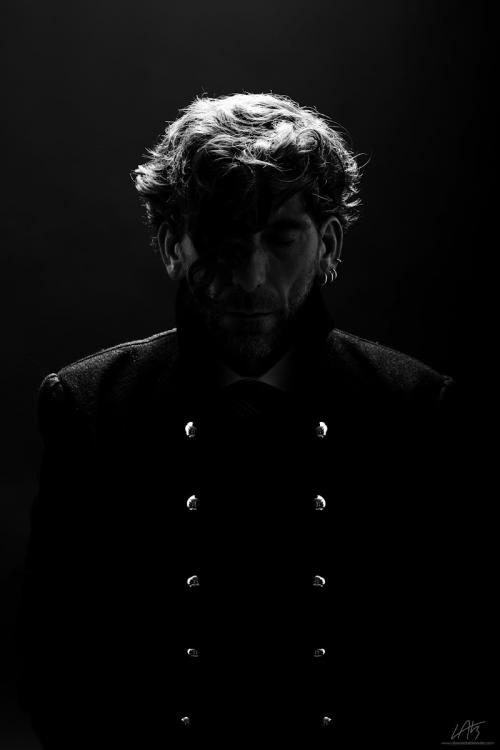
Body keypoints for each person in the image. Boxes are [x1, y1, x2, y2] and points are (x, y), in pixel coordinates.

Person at [14, 92, 490, 748]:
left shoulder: (413, 409)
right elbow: (53, 657)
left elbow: (459, 656)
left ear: (329, 243)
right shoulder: (87, 407)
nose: (250, 275)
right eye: (222, 237)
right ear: (171, 243)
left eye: (281, 237)